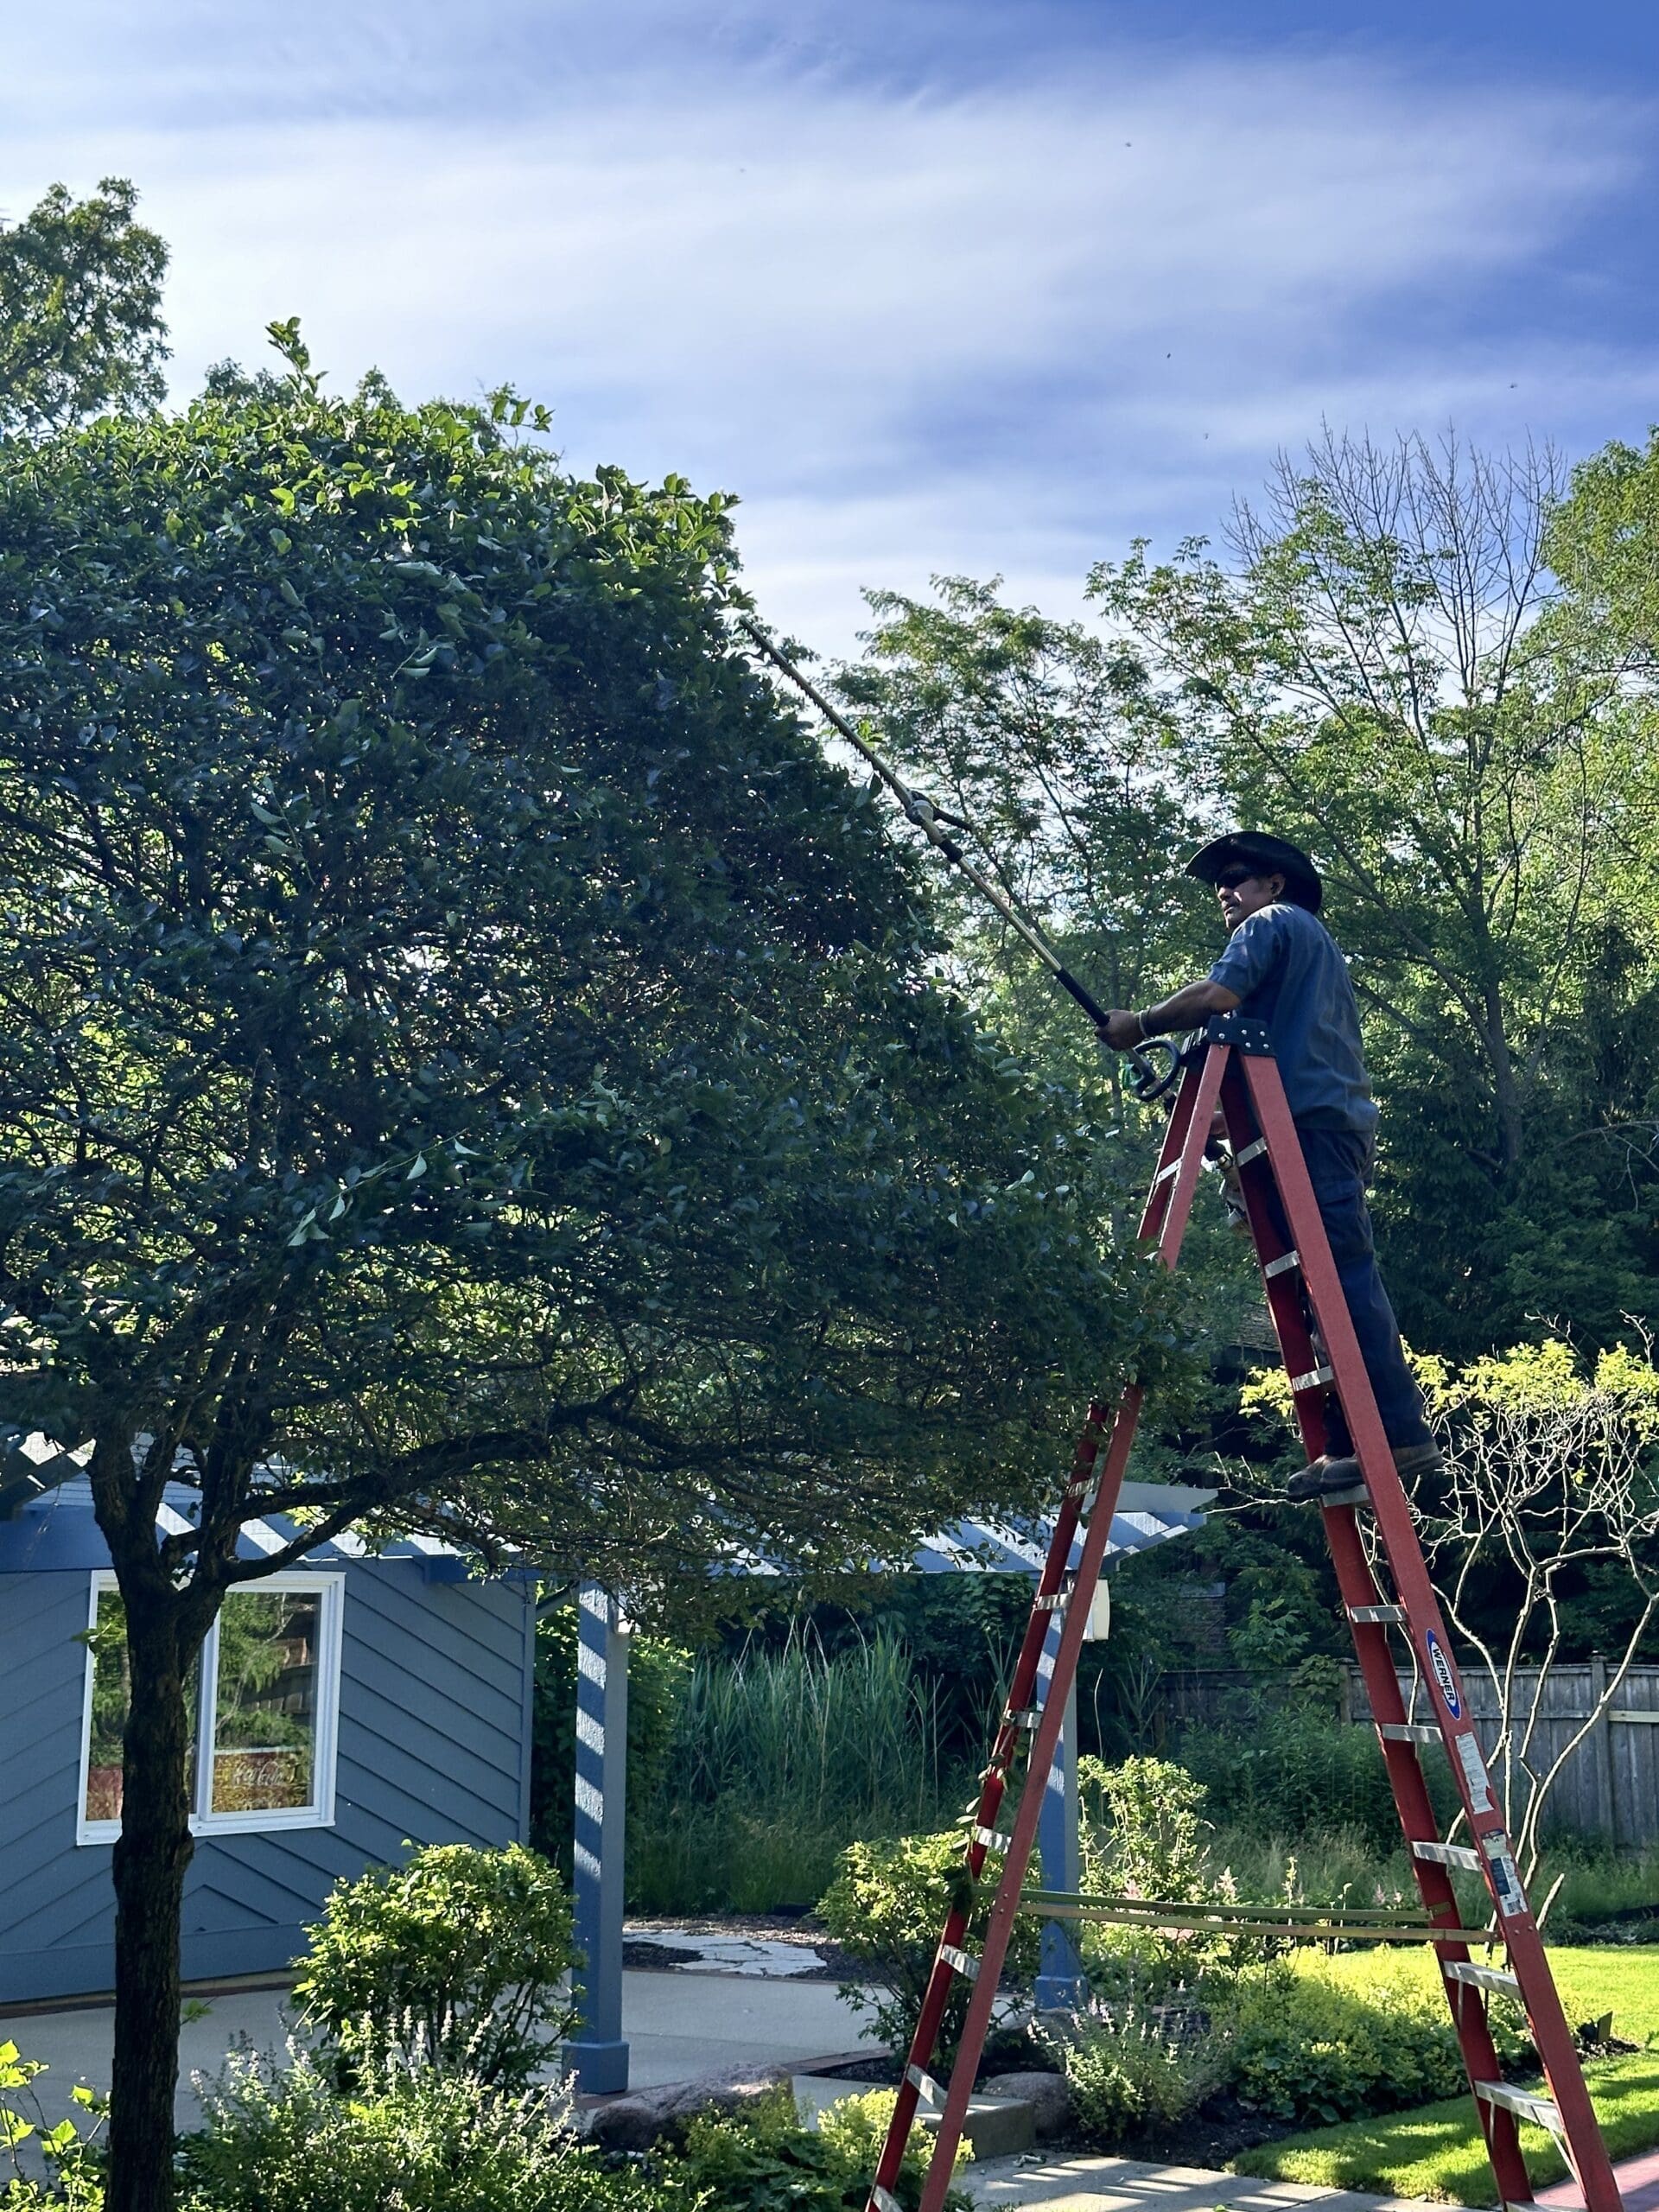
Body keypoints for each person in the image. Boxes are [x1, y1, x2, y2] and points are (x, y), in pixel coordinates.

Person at [1099, 830, 1439, 1500]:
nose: (1224, 890)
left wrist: (1140, 1024)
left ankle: (1400, 1434)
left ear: (1274, 884)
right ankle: (1350, 1443)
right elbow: (1281, 1054)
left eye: (1237, 876)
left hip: (1314, 1129)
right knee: (1320, 1289)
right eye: (1219, 883)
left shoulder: (1274, 922)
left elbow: (1217, 996)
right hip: (1312, 1124)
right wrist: (1221, 1120)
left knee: (1341, 1281)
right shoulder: (1303, 953)